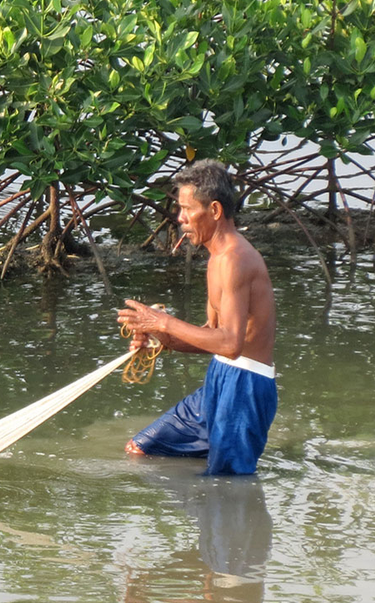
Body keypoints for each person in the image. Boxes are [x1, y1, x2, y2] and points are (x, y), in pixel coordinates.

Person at [116, 160, 277, 475]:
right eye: (180, 209)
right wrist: (161, 339)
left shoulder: (234, 260)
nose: (181, 219)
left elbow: (230, 344)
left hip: (245, 388)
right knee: (141, 449)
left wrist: (162, 322)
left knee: (229, 486)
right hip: (219, 379)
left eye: (188, 209)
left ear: (215, 211)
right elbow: (212, 337)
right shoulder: (217, 258)